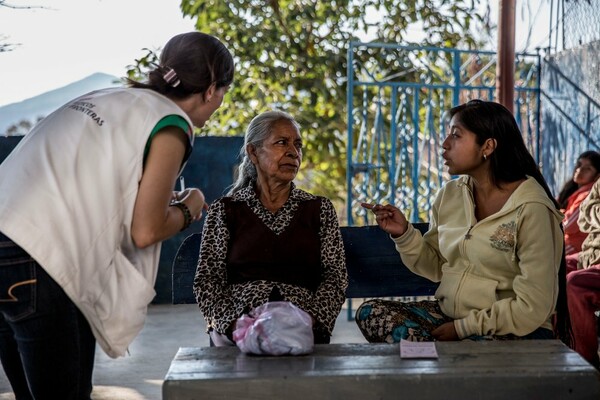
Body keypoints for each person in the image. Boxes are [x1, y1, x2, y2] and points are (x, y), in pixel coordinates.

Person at [0, 32, 234, 399]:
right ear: (211, 91)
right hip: (39, 257)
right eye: (223, 94)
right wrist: (191, 206)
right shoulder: (172, 124)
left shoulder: (110, 98)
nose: (220, 103)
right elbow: (146, 229)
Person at [355, 100, 571, 346]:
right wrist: (404, 234)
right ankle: (446, 361)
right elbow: (435, 266)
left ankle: (444, 362)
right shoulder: (450, 195)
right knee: (372, 313)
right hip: (451, 318)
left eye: (456, 135)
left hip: (514, 329)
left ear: (487, 146)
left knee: (461, 347)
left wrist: (463, 329)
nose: (445, 144)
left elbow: (534, 306)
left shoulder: (533, 209)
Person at [193, 110, 348, 346]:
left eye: (297, 145)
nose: (293, 152)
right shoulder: (226, 210)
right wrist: (236, 325)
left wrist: (312, 320)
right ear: (253, 152)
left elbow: (335, 277)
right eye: (281, 142)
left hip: (302, 327)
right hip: (239, 329)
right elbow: (207, 280)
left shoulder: (319, 209)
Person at [567, 177, 600, 368]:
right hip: (590, 254)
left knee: (575, 284)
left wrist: (592, 213)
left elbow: (584, 216)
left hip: (592, 257)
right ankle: (559, 343)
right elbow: (582, 218)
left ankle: (585, 363)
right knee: (551, 269)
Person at [556, 150, 600, 262]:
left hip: (577, 248)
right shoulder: (572, 190)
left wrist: (556, 214)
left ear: (597, 176)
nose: (579, 170)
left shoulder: (588, 195)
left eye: (587, 169)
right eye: (579, 164)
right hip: (563, 241)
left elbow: (567, 225)